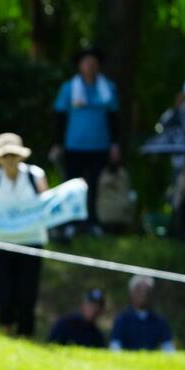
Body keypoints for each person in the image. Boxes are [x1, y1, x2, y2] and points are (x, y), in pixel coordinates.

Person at [0, 133, 49, 337]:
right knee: (5, 291)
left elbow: (47, 205)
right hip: (2, 242)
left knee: (28, 292)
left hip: (32, 240)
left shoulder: (35, 176)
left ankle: (27, 334)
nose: (10, 160)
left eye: (13, 155)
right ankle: (6, 331)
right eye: (5, 156)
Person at [53, 48, 120, 237]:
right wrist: (58, 143)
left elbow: (114, 118)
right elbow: (59, 117)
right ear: (80, 66)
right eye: (86, 62)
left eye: (93, 62)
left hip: (100, 146)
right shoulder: (68, 88)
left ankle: (92, 222)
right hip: (73, 146)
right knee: (72, 186)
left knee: (96, 187)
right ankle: (70, 223)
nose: (90, 66)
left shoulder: (108, 88)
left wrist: (115, 144)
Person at [110, 276, 174, 352]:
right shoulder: (122, 319)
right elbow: (115, 347)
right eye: (139, 290)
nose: (143, 294)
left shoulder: (159, 321)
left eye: (147, 291)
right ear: (131, 293)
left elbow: (168, 349)